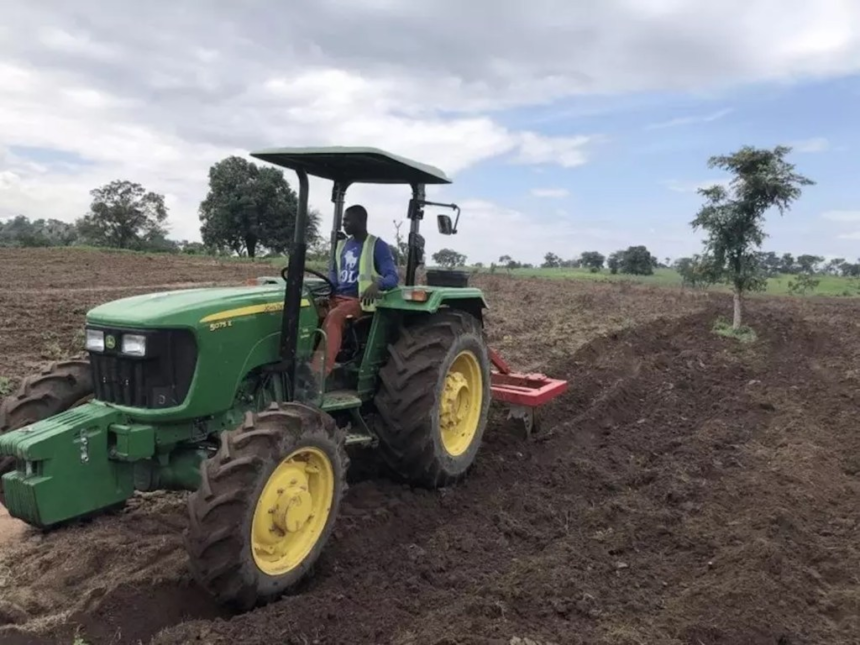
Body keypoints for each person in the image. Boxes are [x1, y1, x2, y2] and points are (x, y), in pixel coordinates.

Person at [310, 204, 399, 379]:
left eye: (347, 220)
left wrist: (377, 285)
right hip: (337, 297)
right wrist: (324, 294)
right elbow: (334, 276)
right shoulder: (342, 246)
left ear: (360, 221)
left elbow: (392, 277)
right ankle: (299, 364)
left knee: (334, 317)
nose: (344, 224)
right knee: (309, 312)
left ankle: (317, 374)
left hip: (360, 301)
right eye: (343, 220)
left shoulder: (377, 245)